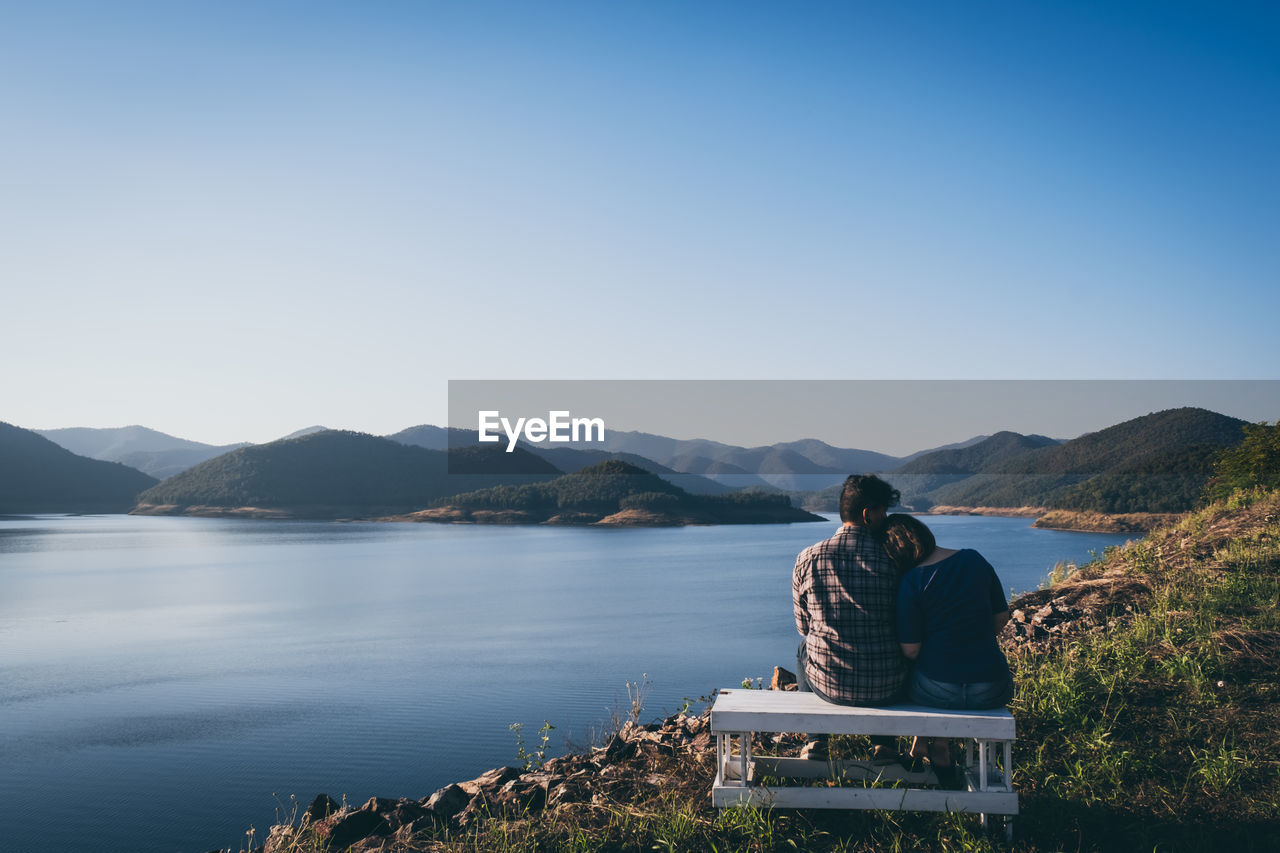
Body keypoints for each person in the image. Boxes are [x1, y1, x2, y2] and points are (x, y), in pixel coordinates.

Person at [881, 513, 1013, 781]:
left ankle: (933, 744)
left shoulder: (911, 581)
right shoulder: (974, 559)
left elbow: (911, 650)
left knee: (908, 676)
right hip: (992, 687)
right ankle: (932, 746)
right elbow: (1001, 618)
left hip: (937, 690)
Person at [793, 474, 907, 762]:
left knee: (803, 648)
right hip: (888, 687)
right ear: (869, 514)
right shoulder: (895, 559)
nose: (886, 518)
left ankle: (816, 741)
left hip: (829, 686)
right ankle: (884, 745)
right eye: (884, 511)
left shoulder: (808, 557)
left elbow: (803, 628)